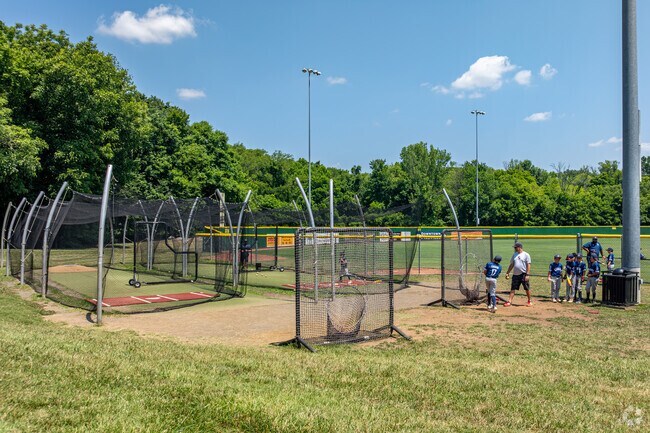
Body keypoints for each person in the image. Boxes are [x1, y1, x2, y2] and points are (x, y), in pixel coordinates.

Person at [504, 242, 533, 307]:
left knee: (526, 288)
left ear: (520, 247)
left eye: (516, 247)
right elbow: (512, 264)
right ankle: (509, 301)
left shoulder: (526, 254)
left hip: (523, 274)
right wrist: (507, 272)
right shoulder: (514, 254)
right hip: (515, 274)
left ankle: (529, 301)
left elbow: (528, 264)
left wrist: (527, 274)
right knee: (513, 288)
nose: (515, 248)